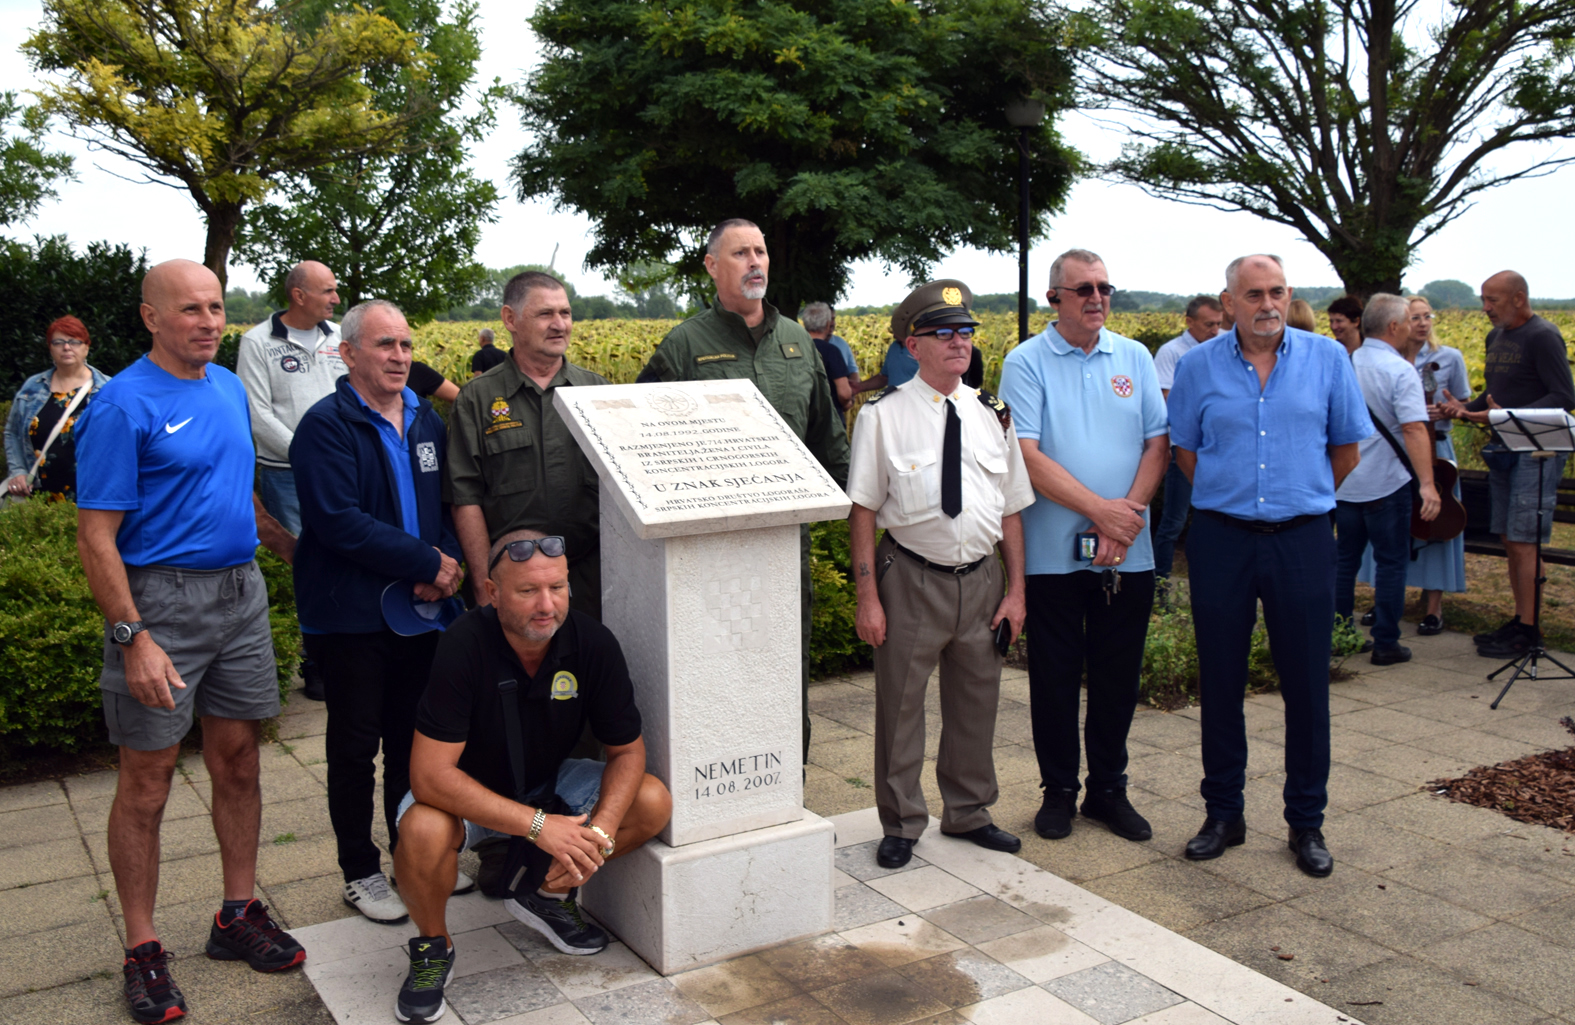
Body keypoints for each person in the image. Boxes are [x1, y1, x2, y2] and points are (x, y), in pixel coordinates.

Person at [74, 260, 306, 1024]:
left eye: (215, 307)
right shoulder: (120, 405)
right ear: (150, 317)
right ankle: (142, 948)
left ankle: (236, 913)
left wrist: (293, 550)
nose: (209, 321)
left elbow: (232, 489)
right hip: (159, 603)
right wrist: (133, 636)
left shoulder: (227, 388)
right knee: (147, 780)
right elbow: (96, 536)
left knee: (238, 759)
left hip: (239, 592)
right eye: (190, 310)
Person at [389, 529, 672, 1024]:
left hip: (548, 781)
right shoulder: (463, 645)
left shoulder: (592, 642)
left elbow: (627, 751)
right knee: (421, 829)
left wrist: (600, 832)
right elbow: (430, 776)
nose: (547, 605)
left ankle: (547, 896)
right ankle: (433, 944)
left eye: (557, 588)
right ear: (493, 593)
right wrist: (539, 825)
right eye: (527, 591)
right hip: (466, 793)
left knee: (650, 800)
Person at [1167, 254, 1372, 879]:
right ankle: (1223, 814)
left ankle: (1306, 823)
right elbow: (1184, 450)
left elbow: (1346, 450)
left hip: (1303, 539)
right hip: (1223, 540)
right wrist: (1234, 500)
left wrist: (1296, 497)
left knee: (1308, 686)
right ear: (1229, 302)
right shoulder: (1199, 366)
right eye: (1253, 293)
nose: (1267, 304)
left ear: (1289, 295)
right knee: (1221, 681)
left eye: (1277, 291)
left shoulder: (1327, 359)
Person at [637, 218, 850, 765]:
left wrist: (851, 515)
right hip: (711, 550)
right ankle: (716, 774)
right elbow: (642, 444)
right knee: (715, 667)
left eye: (760, 251)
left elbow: (829, 437)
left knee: (784, 661)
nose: (755, 262)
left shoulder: (798, 341)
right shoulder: (685, 345)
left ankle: (787, 773)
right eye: (739, 253)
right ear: (712, 266)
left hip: (783, 543)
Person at [290, 299, 468, 925]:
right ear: (349, 353)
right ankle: (359, 871)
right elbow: (338, 522)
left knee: (412, 744)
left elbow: (450, 503)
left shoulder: (427, 420)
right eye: (384, 345)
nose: (399, 357)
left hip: (420, 614)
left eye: (406, 345)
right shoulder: (325, 425)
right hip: (352, 617)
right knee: (355, 745)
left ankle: (411, 857)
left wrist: (446, 561)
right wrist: (425, 562)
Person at [848, 280, 1031, 869]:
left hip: (981, 581)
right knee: (900, 706)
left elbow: (1010, 509)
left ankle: (970, 812)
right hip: (910, 577)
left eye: (966, 332)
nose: (960, 343)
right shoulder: (882, 416)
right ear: (913, 345)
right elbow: (864, 512)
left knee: (977, 702)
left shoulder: (992, 414)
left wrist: (1016, 591)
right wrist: (867, 597)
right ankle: (901, 822)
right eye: (943, 333)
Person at [999, 251, 1170, 843]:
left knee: (1118, 676)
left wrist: (1125, 520)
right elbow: (1025, 454)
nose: (1097, 297)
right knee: (1054, 676)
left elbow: (1158, 443)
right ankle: (1059, 790)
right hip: (1052, 553)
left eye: (1105, 287)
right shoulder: (1025, 362)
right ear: (1055, 299)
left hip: (1127, 552)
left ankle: (1107, 790)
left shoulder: (1134, 357)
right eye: (1083, 289)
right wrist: (1101, 511)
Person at [447, 271, 608, 620]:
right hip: (513, 585)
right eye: (545, 314)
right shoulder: (477, 400)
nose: (559, 324)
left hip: (591, 582)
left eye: (565, 313)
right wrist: (482, 584)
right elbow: (465, 499)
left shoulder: (597, 393)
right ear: (510, 319)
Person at [1440, 271, 1575, 658]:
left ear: (1518, 298)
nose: (1485, 308)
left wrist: (1506, 416)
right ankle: (1520, 619)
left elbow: (1564, 395)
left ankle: (1530, 630)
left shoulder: (1542, 335)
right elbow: (1495, 394)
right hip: (1504, 448)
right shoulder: (1495, 337)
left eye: (1492, 301)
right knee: (1508, 537)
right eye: (1483, 300)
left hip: (1538, 451)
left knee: (1522, 538)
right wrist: (1466, 409)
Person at [1333, 294, 1441, 665]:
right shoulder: (1399, 371)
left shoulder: (1345, 363)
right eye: (1409, 321)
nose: (1414, 327)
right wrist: (1427, 484)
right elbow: (1413, 428)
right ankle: (1386, 641)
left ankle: (1341, 633)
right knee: (1391, 562)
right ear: (1394, 327)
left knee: (1344, 561)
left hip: (1345, 482)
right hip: (1387, 482)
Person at [1356, 296, 1470, 633]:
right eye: (1413, 317)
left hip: (1435, 449)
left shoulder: (1448, 357)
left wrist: (1451, 409)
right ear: (1399, 324)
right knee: (1390, 532)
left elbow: (1463, 401)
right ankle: (1385, 606)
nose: (1420, 323)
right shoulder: (1393, 359)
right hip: (1393, 454)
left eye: (1426, 316)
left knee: (1436, 525)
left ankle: (1433, 607)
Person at [236, 260, 344, 536]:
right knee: (298, 556)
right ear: (299, 296)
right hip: (286, 475)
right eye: (328, 291)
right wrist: (307, 454)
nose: (336, 299)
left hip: (340, 468)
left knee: (343, 551)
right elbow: (257, 414)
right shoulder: (257, 342)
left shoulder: (340, 337)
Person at [1150, 297, 1224, 581]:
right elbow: (1168, 400)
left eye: (1218, 324)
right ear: (1189, 321)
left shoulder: (1224, 348)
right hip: (1184, 449)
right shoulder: (1172, 353)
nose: (1215, 330)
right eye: (1208, 324)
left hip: (1216, 449)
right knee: (1174, 520)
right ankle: (1161, 582)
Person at [5, 315, 111, 502]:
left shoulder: (108, 390)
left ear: (86, 347)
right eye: (59, 342)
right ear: (50, 348)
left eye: (74, 342)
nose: (66, 347)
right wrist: (18, 471)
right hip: (37, 498)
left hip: (91, 495)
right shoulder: (33, 387)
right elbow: (12, 432)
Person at [802, 302, 855, 413]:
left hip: (801, 417)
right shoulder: (832, 352)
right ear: (827, 324)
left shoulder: (795, 348)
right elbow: (844, 393)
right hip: (828, 419)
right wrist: (847, 403)